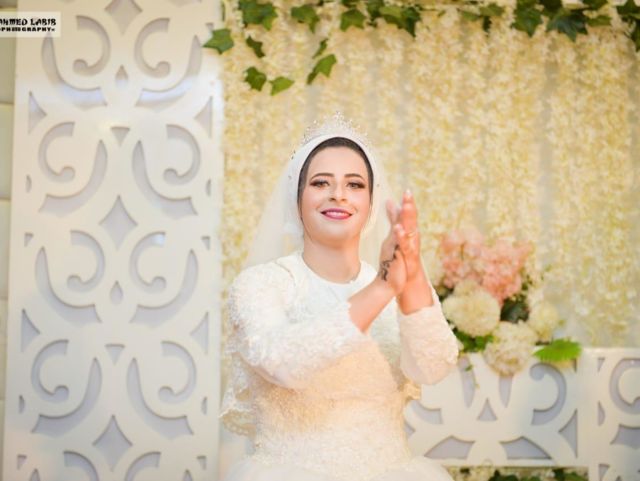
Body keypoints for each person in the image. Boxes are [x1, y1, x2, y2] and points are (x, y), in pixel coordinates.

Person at [219, 113, 459, 481]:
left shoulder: (398, 287)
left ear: (371, 201)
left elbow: (432, 366)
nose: (339, 195)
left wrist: (410, 274)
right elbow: (283, 363)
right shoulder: (260, 284)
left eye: (355, 184)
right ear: (297, 198)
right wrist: (382, 286)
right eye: (321, 182)